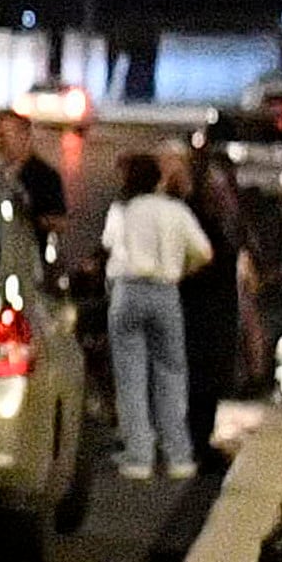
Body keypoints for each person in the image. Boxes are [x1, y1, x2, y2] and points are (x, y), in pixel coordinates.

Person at [99, 149, 217, 480]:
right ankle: (179, 454)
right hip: (166, 293)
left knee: (131, 375)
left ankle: (139, 456)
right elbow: (205, 253)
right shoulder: (176, 210)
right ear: (158, 179)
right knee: (171, 373)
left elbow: (110, 243)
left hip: (128, 291)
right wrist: (182, 270)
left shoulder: (125, 209)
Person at [174, 139, 253, 466]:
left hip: (216, 306)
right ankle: (195, 443)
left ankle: (199, 439)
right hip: (200, 306)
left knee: (210, 378)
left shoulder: (225, 217)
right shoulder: (197, 215)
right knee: (199, 378)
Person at [0, 108, 70, 276]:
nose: (0, 141)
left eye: (6, 134)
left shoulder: (44, 176)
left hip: (33, 263)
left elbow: (59, 221)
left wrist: (26, 220)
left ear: (25, 136)